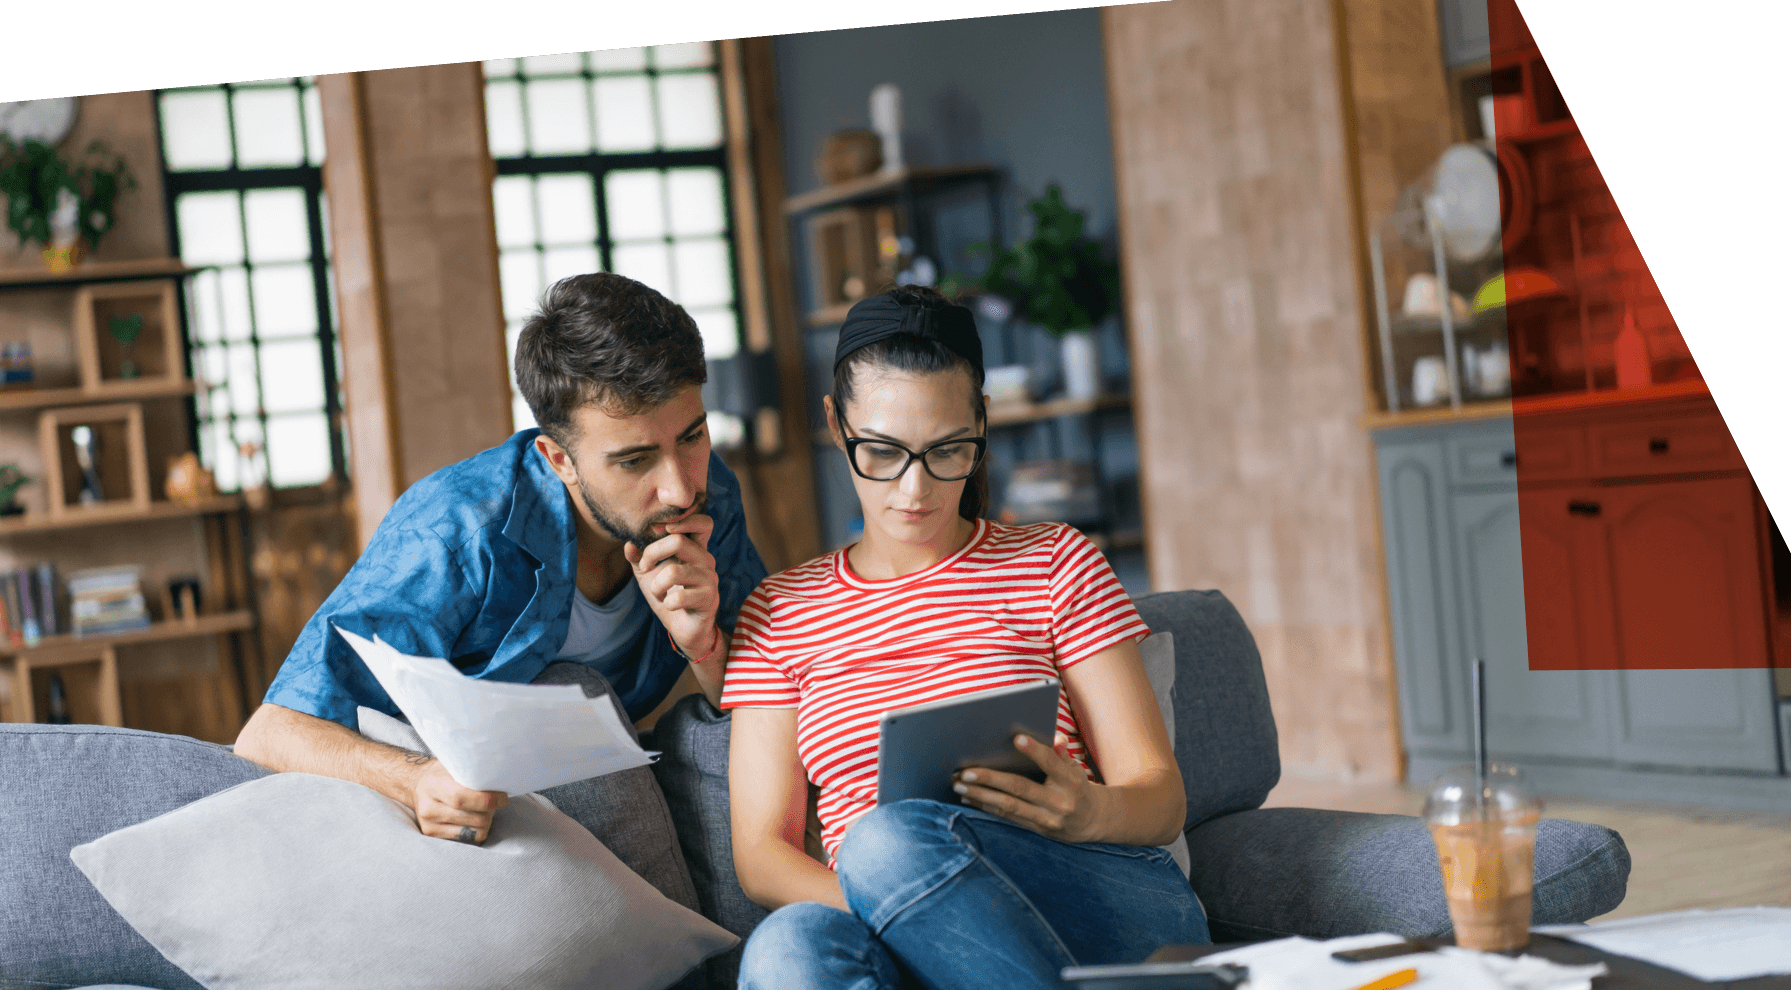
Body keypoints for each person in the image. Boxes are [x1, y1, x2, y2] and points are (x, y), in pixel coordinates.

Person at [723, 284, 1209, 990]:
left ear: (981, 424)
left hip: (1097, 899)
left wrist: (1094, 809)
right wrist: (896, 907)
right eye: (883, 452)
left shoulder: (1054, 561)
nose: (916, 489)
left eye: (948, 450)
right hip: (899, 922)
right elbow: (762, 857)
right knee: (786, 947)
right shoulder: (780, 611)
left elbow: (1161, 797)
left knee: (883, 839)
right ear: (836, 424)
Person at [234, 273, 768, 847]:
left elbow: (769, 698)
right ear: (559, 459)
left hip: (607, 769)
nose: (680, 490)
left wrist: (705, 648)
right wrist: (416, 782)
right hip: (459, 809)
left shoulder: (711, 492)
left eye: (692, 436)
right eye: (635, 461)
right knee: (569, 693)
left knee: (731, 738)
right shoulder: (457, 531)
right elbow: (270, 733)